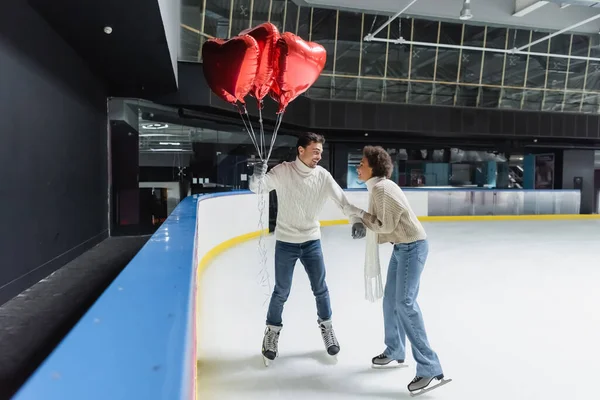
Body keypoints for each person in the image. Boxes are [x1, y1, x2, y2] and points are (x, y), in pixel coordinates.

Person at [249, 132, 366, 365]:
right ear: (300, 150)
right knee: (281, 291)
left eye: (321, 152)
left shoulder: (322, 176)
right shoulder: (283, 171)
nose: (319, 156)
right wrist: (256, 175)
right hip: (286, 242)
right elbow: (258, 188)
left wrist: (356, 220)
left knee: (320, 288)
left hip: (312, 241)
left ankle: (328, 329)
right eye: (315, 151)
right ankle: (271, 333)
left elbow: (343, 201)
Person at [344, 146, 448, 395]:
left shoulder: (382, 189)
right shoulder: (377, 187)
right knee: (391, 300)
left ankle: (429, 367)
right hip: (402, 248)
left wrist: (359, 216)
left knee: (404, 303)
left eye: (362, 163)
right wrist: (362, 218)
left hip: (412, 247)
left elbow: (385, 224)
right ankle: (395, 349)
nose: (358, 167)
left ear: (374, 167)